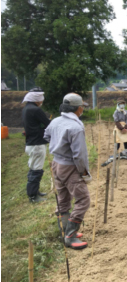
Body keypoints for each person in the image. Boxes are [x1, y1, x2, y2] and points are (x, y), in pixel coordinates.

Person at [44, 93, 91, 250]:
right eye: (82, 107)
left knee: (63, 199)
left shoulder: (56, 121)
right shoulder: (76, 127)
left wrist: (58, 146)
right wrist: (85, 174)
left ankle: (64, 231)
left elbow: (46, 135)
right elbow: (80, 155)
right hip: (70, 167)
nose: (82, 110)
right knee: (83, 199)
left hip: (56, 164)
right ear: (78, 109)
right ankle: (70, 235)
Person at [21, 87, 51, 203]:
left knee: (33, 168)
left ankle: (35, 191)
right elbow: (47, 123)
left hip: (31, 143)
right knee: (36, 169)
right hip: (37, 144)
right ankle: (33, 196)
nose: (42, 101)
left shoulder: (26, 109)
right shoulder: (35, 110)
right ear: (37, 99)